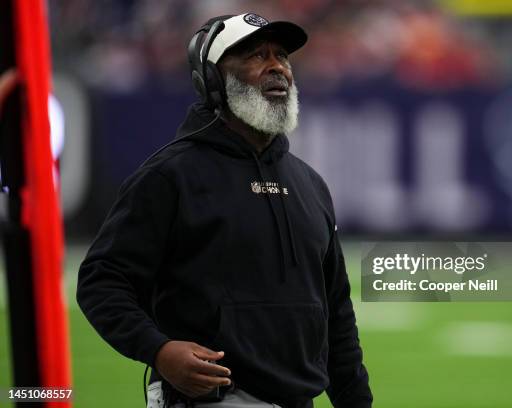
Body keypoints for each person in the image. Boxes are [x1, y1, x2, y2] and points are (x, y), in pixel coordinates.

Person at [77, 13, 372, 408]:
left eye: (281, 55)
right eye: (255, 55)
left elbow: (336, 314)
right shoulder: (170, 176)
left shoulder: (310, 184)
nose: (277, 67)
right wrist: (159, 351)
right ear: (212, 79)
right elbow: (102, 280)